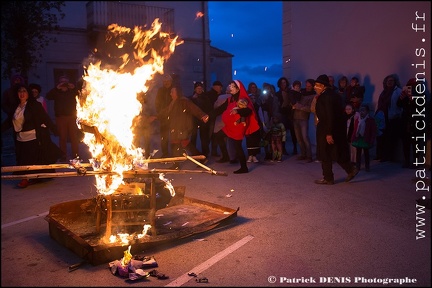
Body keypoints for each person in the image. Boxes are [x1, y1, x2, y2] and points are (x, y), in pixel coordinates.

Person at [5, 84, 62, 188]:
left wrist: (55, 129)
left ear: (28, 94)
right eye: (20, 91)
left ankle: (27, 179)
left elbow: (45, 118)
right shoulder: (15, 107)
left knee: (31, 159)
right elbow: (9, 122)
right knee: (22, 160)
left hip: (32, 137)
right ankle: (26, 178)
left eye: (24, 91)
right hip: (19, 138)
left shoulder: (34, 105)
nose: (22, 94)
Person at [313, 74, 358, 185]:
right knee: (334, 152)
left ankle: (329, 178)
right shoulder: (333, 94)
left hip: (327, 129)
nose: (315, 87)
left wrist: (328, 133)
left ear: (322, 86)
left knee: (326, 153)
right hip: (333, 128)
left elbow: (329, 115)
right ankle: (349, 170)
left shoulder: (326, 96)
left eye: (317, 85)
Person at [214, 80, 260, 174]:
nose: (230, 87)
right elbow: (220, 109)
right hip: (230, 126)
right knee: (218, 135)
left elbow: (248, 111)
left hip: (238, 126)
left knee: (238, 146)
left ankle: (244, 168)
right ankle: (226, 156)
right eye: (230, 85)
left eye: (232, 86)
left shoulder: (243, 99)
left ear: (238, 89)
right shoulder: (230, 98)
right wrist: (207, 115)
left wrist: (238, 111)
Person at [157, 85, 209, 169]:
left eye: (172, 92)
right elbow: (166, 111)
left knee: (178, 144)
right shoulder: (173, 102)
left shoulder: (184, 101)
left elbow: (193, 108)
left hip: (182, 127)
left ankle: (177, 164)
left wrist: (202, 115)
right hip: (176, 127)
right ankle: (201, 159)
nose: (170, 94)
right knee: (182, 144)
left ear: (177, 93)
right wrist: (156, 116)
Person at [46, 75, 80, 161]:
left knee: (74, 137)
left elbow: (80, 94)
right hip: (60, 117)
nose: (64, 84)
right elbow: (48, 96)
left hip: (72, 117)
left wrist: (74, 87)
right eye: (62, 81)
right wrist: (57, 88)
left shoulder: (72, 91)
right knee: (62, 137)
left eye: (65, 82)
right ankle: (63, 155)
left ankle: (75, 155)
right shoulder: (56, 92)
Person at [397, 78, 418, 168]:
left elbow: (420, 106)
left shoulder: (420, 94)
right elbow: (398, 104)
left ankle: (416, 162)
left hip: (415, 120)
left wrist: (412, 98)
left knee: (415, 143)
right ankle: (406, 161)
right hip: (405, 120)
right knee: (406, 142)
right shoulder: (404, 94)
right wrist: (402, 97)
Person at [292, 79, 315, 163]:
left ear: (312, 86)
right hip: (295, 117)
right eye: (306, 85)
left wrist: (300, 106)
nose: (307, 87)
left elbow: (311, 108)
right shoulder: (301, 92)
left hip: (304, 118)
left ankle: (309, 156)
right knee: (299, 138)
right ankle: (303, 154)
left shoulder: (313, 95)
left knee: (305, 137)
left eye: (309, 86)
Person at [189, 81, 212, 158]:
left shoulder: (206, 97)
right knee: (193, 136)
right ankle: (193, 152)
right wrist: (193, 99)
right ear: (195, 89)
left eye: (200, 88)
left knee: (204, 137)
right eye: (197, 88)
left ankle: (205, 152)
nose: (199, 90)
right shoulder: (192, 98)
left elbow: (208, 108)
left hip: (203, 120)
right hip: (194, 120)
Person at [351, 103, 376, 172]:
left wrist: (371, 140)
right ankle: (357, 166)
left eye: (363, 110)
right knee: (358, 153)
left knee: (366, 153)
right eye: (360, 110)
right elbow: (355, 129)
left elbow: (373, 131)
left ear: (367, 111)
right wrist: (353, 138)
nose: (361, 112)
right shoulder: (357, 120)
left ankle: (367, 166)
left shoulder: (370, 120)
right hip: (358, 138)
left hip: (366, 139)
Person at [276, 76, 297, 155]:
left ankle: (295, 148)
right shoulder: (278, 94)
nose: (283, 84)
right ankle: (283, 148)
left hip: (290, 113)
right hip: (283, 113)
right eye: (281, 83)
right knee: (283, 132)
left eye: (284, 82)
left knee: (293, 132)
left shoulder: (290, 92)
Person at [154, 74, 174, 158]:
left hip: (173, 117)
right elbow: (157, 102)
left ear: (171, 82)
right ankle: (165, 153)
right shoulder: (161, 90)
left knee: (174, 136)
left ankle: (174, 154)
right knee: (164, 137)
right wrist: (159, 112)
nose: (166, 83)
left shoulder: (173, 90)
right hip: (163, 117)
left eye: (168, 81)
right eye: (164, 82)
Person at [207, 80, 224, 157]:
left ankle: (213, 151)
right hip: (212, 117)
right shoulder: (210, 95)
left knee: (215, 135)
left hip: (217, 117)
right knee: (211, 135)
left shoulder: (220, 95)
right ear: (215, 87)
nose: (221, 88)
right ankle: (209, 151)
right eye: (220, 87)